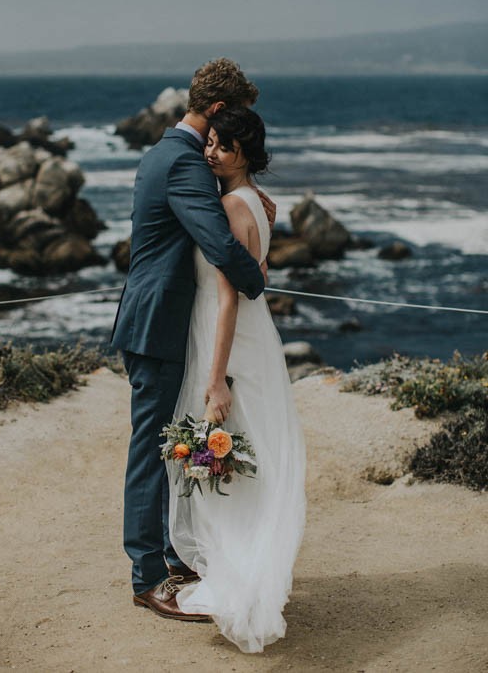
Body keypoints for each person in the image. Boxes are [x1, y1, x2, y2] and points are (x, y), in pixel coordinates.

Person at [111, 59, 275, 623]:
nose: (229, 138)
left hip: (156, 319)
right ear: (214, 114)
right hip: (157, 325)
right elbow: (221, 246)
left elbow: (209, 214)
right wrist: (259, 278)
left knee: (160, 446)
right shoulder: (183, 162)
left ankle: (170, 558)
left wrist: (246, 190)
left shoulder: (168, 154)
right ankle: (148, 577)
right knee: (149, 452)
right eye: (232, 123)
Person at [167, 106, 307, 652]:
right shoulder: (259, 204)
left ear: (242, 152)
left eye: (221, 145)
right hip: (258, 339)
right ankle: (249, 570)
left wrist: (217, 377)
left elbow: (227, 297)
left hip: (228, 342)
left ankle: (239, 580)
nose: (209, 152)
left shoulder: (229, 205)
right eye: (210, 143)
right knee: (248, 460)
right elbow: (259, 276)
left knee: (227, 459)